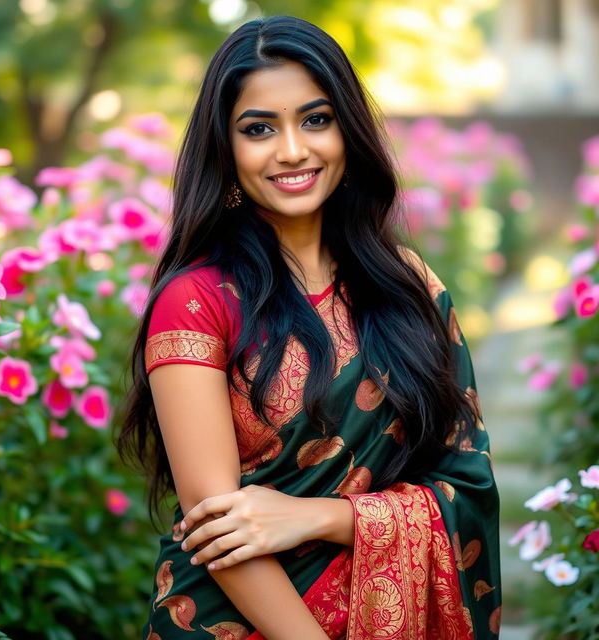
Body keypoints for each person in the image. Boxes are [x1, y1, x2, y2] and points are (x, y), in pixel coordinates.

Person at [117, 14, 501, 640]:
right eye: (259, 128)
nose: (292, 149)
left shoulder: (409, 287)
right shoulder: (197, 300)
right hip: (233, 619)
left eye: (315, 119)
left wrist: (319, 518)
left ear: (348, 131)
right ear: (225, 147)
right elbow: (218, 528)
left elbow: (466, 485)